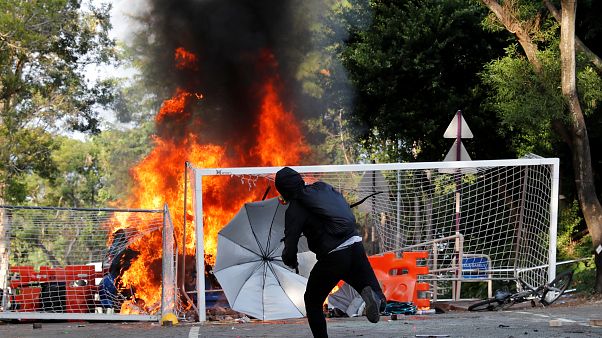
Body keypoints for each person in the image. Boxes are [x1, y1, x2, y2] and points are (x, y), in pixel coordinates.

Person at [275, 166, 386, 338]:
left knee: (312, 301)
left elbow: (291, 244)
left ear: (284, 192)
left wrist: (289, 259)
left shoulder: (295, 207)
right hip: (355, 245)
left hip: (333, 256)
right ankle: (375, 298)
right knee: (372, 291)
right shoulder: (322, 187)